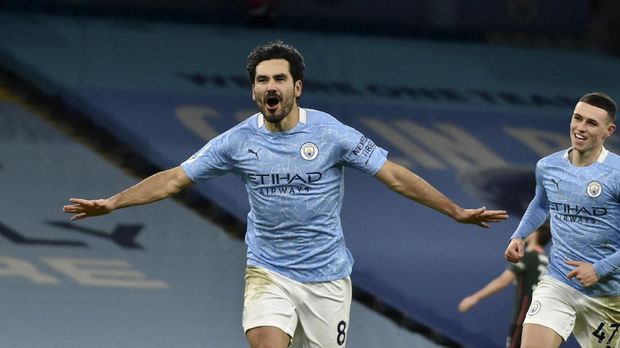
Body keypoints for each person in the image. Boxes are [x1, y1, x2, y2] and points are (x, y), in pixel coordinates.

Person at [63, 40, 508, 348]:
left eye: (279, 79)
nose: (270, 87)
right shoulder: (237, 142)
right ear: (254, 90)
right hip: (269, 272)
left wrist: (454, 211)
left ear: (297, 87)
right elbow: (176, 178)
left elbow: (392, 175)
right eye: (261, 80)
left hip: (327, 279)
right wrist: (114, 202)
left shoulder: (331, 134)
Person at [504, 92, 620, 348]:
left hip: (609, 295)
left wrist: (599, 268)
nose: (580, 127)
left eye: (591, 123)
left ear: (608, 130)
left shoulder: (617, 173)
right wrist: (518, 236)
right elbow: (541, 203)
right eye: (577, 118)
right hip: (558, 283)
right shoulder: (548, 166)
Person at [459, 223, 551, 348]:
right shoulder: (548, 262)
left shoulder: (528, 257)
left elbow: (504, 280)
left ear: (535, 234)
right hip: (545, 322)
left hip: (524, 319)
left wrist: (475, 297)